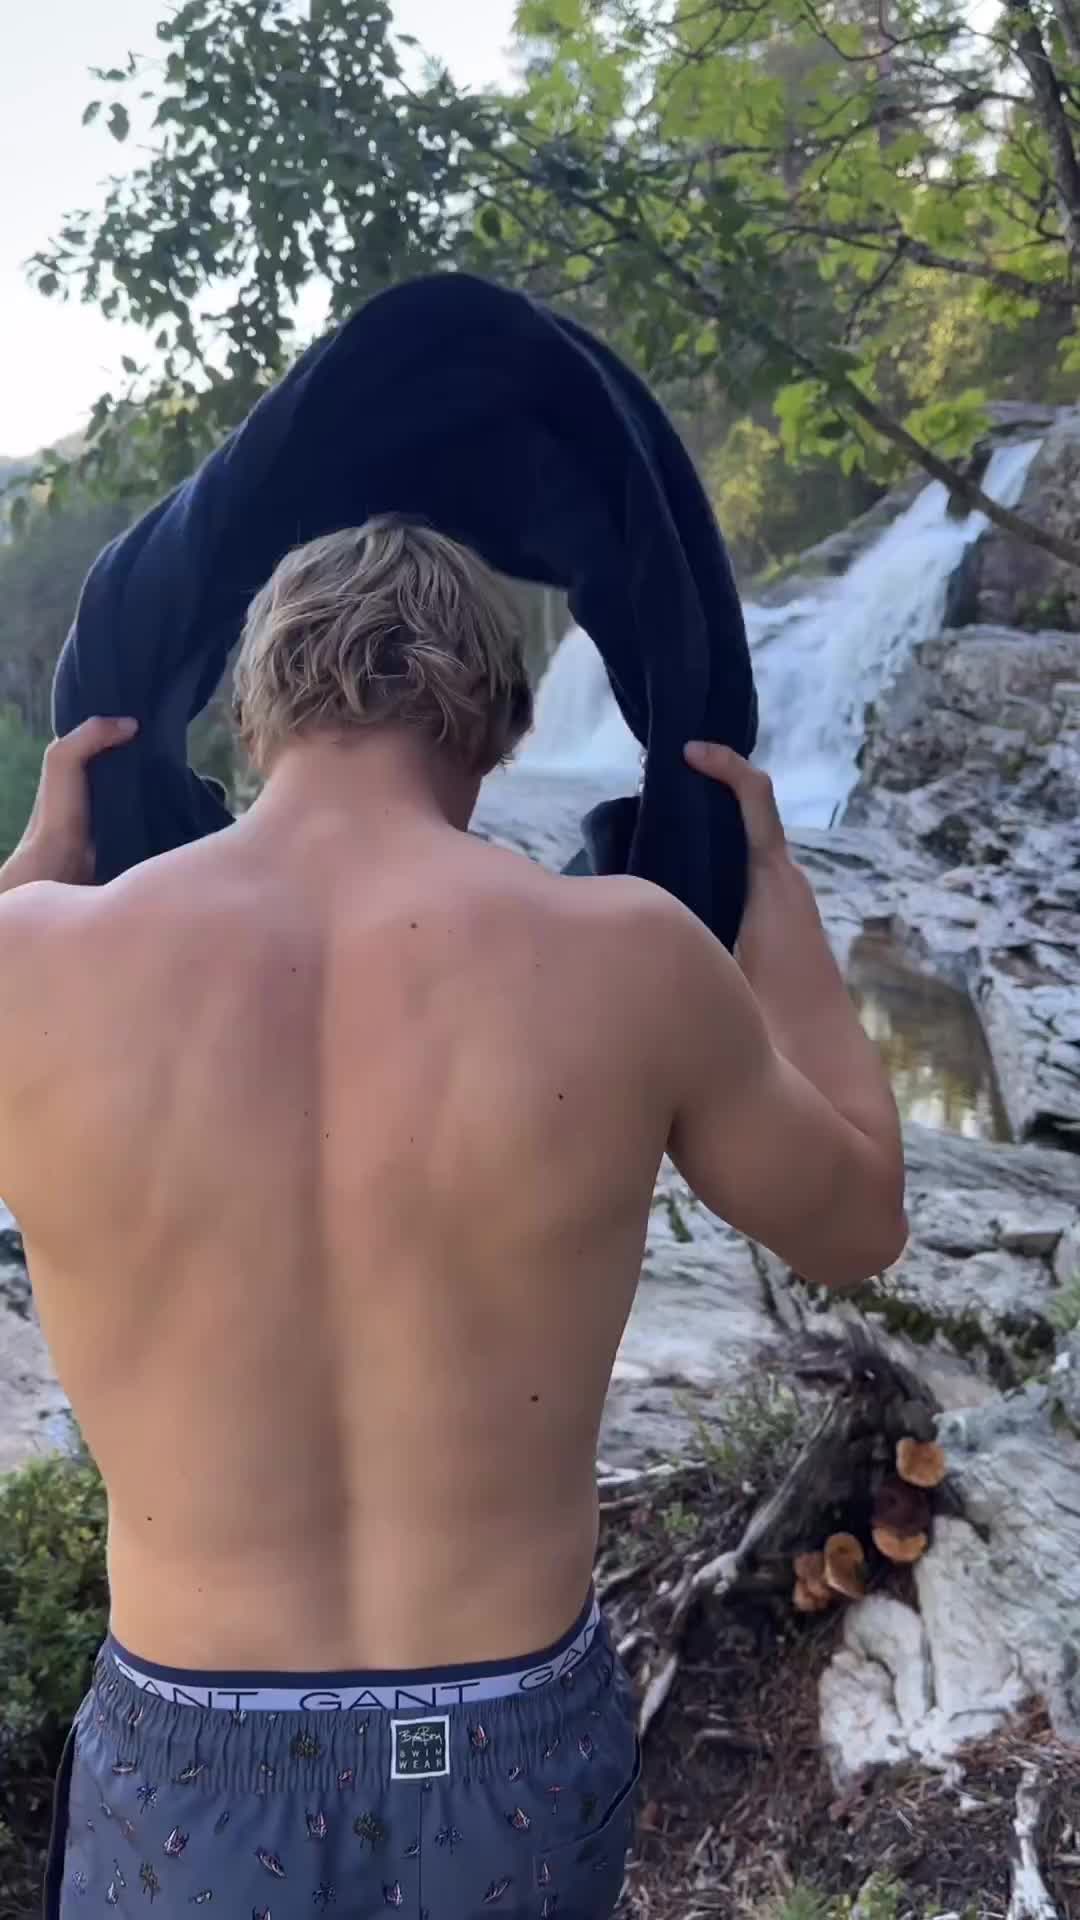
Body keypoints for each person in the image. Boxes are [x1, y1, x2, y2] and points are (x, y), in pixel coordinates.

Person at [0, 518, 906, 1920]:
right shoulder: (632, 954)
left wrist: (37, 867)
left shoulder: (32, 969)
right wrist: (772, 906)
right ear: (496, 723)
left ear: (255, 712)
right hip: (506, 1750)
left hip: (187, 1758)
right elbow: (859, 1225)